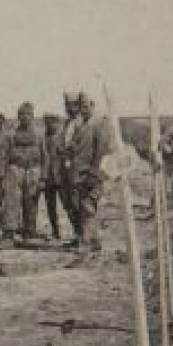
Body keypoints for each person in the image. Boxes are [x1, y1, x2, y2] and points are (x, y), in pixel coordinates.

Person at [68, 92, 111, 254]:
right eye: (81, 107)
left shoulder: (99, 124)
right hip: (79, 173)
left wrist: (94, 174)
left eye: (86, 106)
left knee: (88, 207)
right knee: (83, 207)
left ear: (93, 106)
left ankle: (87, 242)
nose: (83, 110)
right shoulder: (81, 125)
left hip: (90, 173)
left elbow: (101, 151)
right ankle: (93, 241)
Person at [1, 102, 46, 242]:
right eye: (22, 114)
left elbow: (45, 156)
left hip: (33, 170)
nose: (25, 117)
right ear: (18, 116)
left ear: (32, 116)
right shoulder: (10, 134)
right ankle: (9, 232)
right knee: (11, 201)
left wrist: (43, 177)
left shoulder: (39, 134)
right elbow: (3, 155)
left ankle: (29, 231)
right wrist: (2, 175)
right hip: (15, 170)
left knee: (31, 201)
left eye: (28, 114)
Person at [54, 93, 83, 238]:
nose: (69, 108)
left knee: (78, 202)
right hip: (65, 166)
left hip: (77, 166)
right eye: (67, 106)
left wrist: (70, 149)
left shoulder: (83, 122)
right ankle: (77, 235)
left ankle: (84, 236)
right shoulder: (66, 123)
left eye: (73, 105)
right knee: (68, 202)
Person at [41, 112, 66, 241]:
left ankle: (79, 232)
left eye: (52, 122)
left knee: (68, 205)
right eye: (47, 122)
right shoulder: (43, 138)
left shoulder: (62, 137)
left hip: (61, 178)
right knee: (50, 207)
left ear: (57, 123)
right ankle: (56, 231)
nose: (50, 125)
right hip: (48, 179)